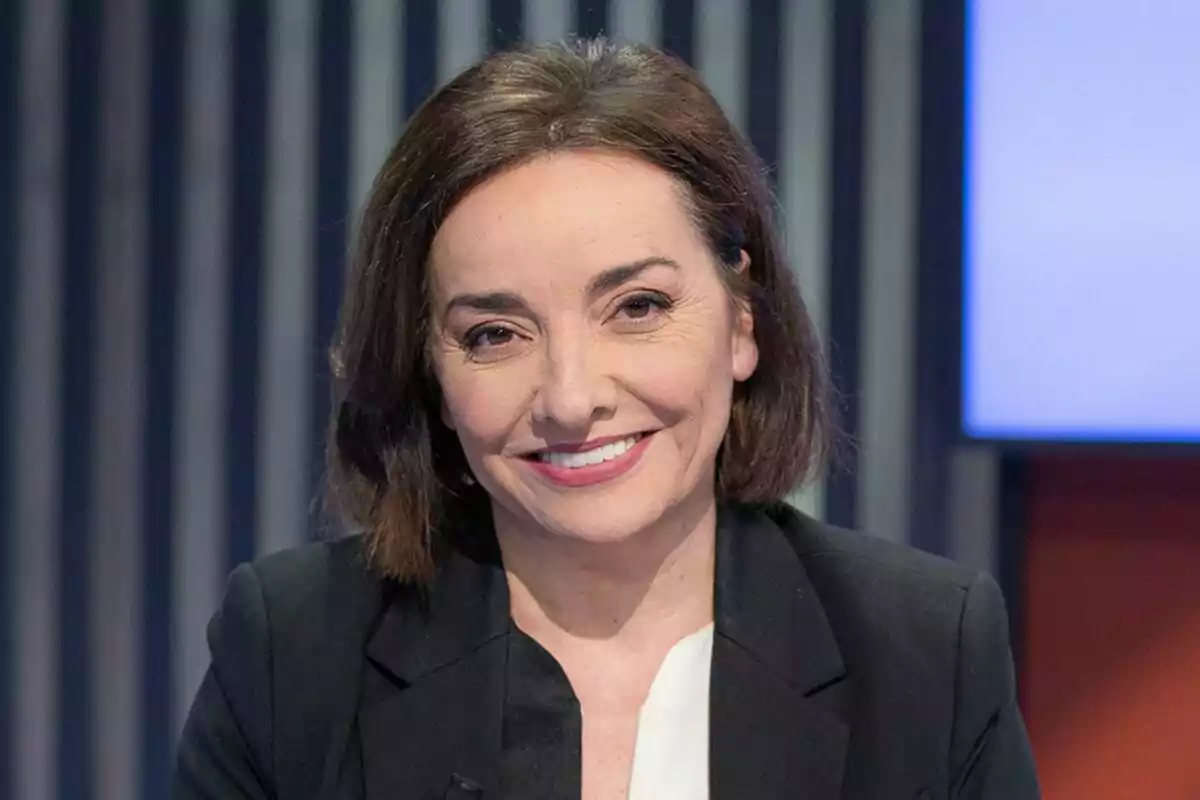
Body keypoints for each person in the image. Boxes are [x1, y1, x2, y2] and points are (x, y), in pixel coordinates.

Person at [173, 38, 1040, 800]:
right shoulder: (295, 652)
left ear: (744, 323)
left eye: (636, 307)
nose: (570, 397)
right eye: (496, 333)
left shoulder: (924, 650)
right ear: (429, 373)